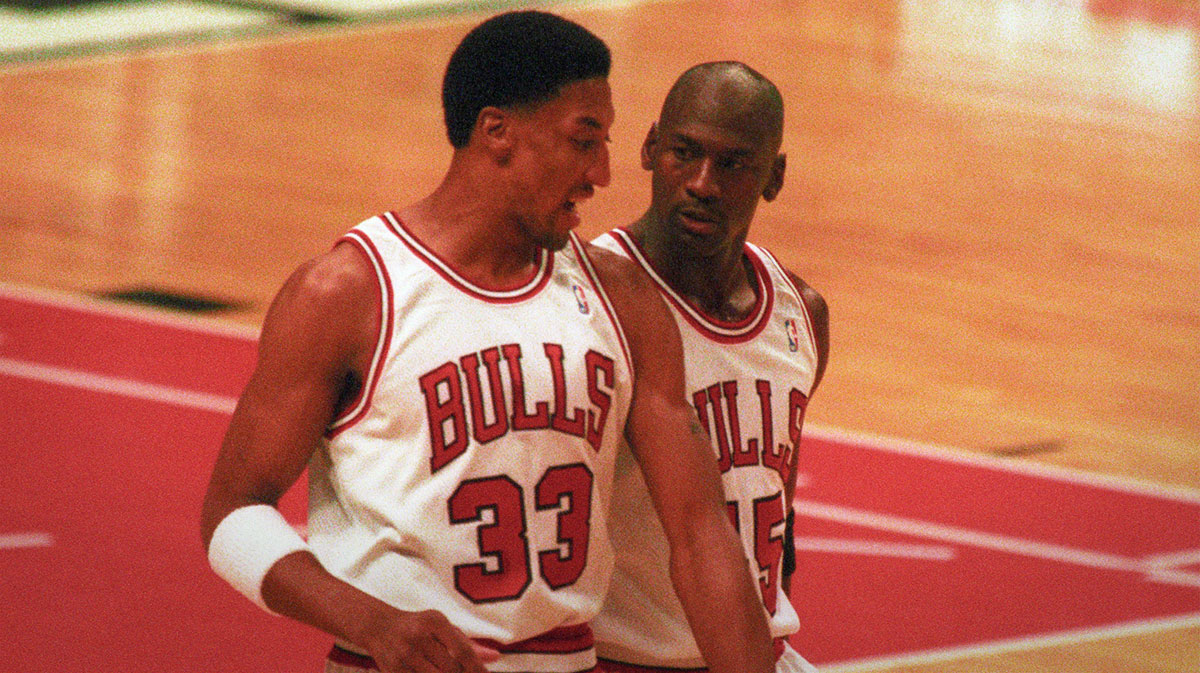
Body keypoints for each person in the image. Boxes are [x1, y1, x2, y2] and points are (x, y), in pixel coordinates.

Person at [199, 13, 776, 673]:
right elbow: (232, 513)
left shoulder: (623, 297)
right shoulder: (349, 292)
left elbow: (703, 539)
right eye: (584, 140)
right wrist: (370, 620)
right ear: (497, 132)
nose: (604, 172)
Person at [589, 62, 829, 673]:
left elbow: (778, 509)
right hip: (624, 660)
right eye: (684, 153)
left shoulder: (802, 311)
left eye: (733, 164)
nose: (702, 183)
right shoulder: (590, 299)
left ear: (773, 176)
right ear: (648, 148)